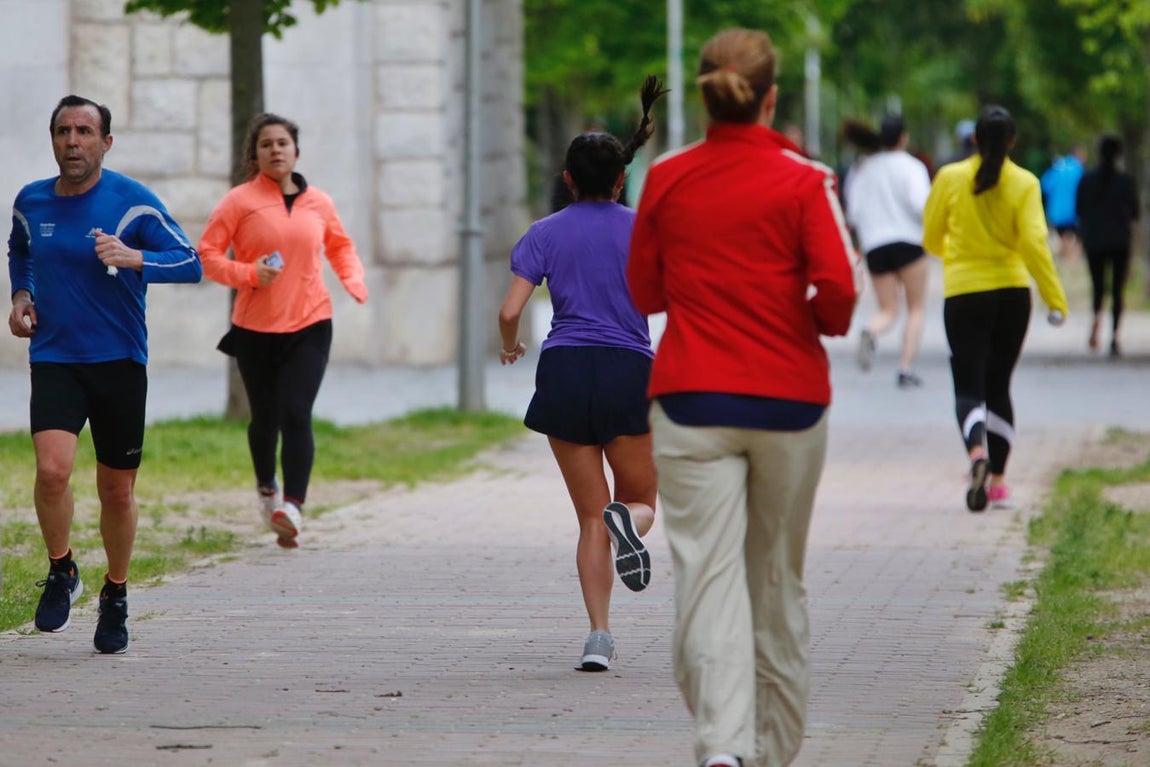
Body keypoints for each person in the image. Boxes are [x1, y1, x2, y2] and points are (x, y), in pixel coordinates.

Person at [628, 29, 858, 767]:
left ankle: (722, 747)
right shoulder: (806, 180)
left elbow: (643, 291)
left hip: (692, 398)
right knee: (776, 578)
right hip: (790, 402)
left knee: (707, 575)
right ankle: (769, 750)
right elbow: (840, 291)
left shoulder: (667, 177)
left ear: (704, 97)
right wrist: (812, 321)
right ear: (771, 98)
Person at [7, 95, 203, 654]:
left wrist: (135, 257)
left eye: (85, 131)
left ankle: (115, 592)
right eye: (63, 131)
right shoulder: (31, 200)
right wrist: (21, 294)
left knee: (116, 491)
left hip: (119, 362)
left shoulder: (132, 203)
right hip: (55, 356)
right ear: (53, 139)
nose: (73, 141)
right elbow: (19, 249)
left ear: (106, 142)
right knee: (52, 471)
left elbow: (191, 262)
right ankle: (62, 568)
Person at [498, 76, 666, 672]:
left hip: (565, 370)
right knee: (639, 501)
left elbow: (510, 311)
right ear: (621, 180)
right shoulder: (645, 230)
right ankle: (631, 524)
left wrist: (511, 348)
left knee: (589, 519)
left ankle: (599, 637)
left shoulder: (543, 233)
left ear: (567, 180)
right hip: (628, 370)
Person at [198, 113, 368, 549]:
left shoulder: (319, 202)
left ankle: (292, 507)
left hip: (311, 322)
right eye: (266, 144)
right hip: (255, 328)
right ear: (254, 155)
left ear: (296, 151)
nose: (275, 150)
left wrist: (353, 279)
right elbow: (207, 255)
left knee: (296, 412)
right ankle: (266, 488)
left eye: (282, 143)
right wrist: (247, 273)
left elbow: (340, 246)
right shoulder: (238, 201)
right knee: (265, 419)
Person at [923, 105, 1068, 513]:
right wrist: (1055, 298)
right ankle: (1000, 482)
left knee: (968, 387)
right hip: (1012, 294)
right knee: (999, 385)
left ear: (974, 139)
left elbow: (931, 236)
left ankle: (976, 454)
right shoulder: (1025, 182)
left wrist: (958, 256)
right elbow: (1035, 244)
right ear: (1012, 142)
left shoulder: (950, 178)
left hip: (964, 292)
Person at [842, 115, 932, 388]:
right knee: (915, 308)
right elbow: (921, 205)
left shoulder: (862, 169)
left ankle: (871, 330)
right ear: (903, 137)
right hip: (909, 242)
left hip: (875, 245)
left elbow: (853, 213)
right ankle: (905, 368)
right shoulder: (912, 167)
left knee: (888, 309)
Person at [1076, 134, 1139, 357]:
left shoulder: (1087, 180)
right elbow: (1135, 213)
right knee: (1117, 290)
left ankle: (1096, 319)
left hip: (1094, 240)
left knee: (1098, 286)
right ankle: (1114, 336)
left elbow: (1079, 210)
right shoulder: (1125, 181)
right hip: (1119, 241)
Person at [1040, 143, 1086, 260]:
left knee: (1062, 238)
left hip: (1056, 213)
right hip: (1074, 213)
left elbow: (1044, 186)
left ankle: (1063, 259)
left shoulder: (1057, 167)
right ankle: (1070, 261)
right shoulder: (1079, 169)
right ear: (1078, 155)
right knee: (1075, 239)